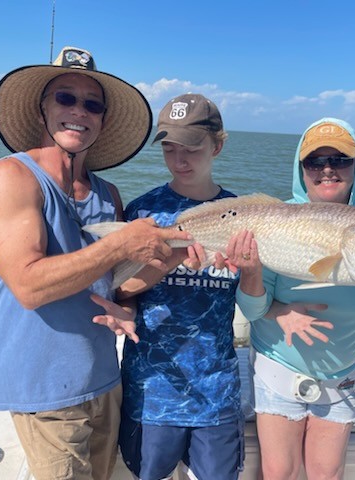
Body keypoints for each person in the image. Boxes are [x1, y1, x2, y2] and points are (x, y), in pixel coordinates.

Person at [0, 46, 192, 480]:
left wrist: (173, 262)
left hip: (105, 382)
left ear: (103, 121)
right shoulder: (10, 177)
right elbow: (28, 285)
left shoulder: (108, 194)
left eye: (92, 104)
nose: (79, 111)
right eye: (65, 98)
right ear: (43, 110)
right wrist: (121, 245)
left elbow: (111, 285)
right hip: (44, 392)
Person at [226, 118, 355, 480]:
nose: (327, 169)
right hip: (278, 363)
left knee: (326, 474)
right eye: (315, 162)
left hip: (345, 372)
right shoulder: (275, 219)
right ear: (300, 169)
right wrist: (259, 282)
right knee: (279, 473)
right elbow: (253, 308)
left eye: (340, 159)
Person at [115, 94, 244, 480]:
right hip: (152, 391)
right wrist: (171, 256)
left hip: (217, 392)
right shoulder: (142, 213)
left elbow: (253, 293)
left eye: (191, 148)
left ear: (217, 146)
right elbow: (120, 290)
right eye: (169, 149)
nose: (179, 160)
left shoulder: (242, 215)